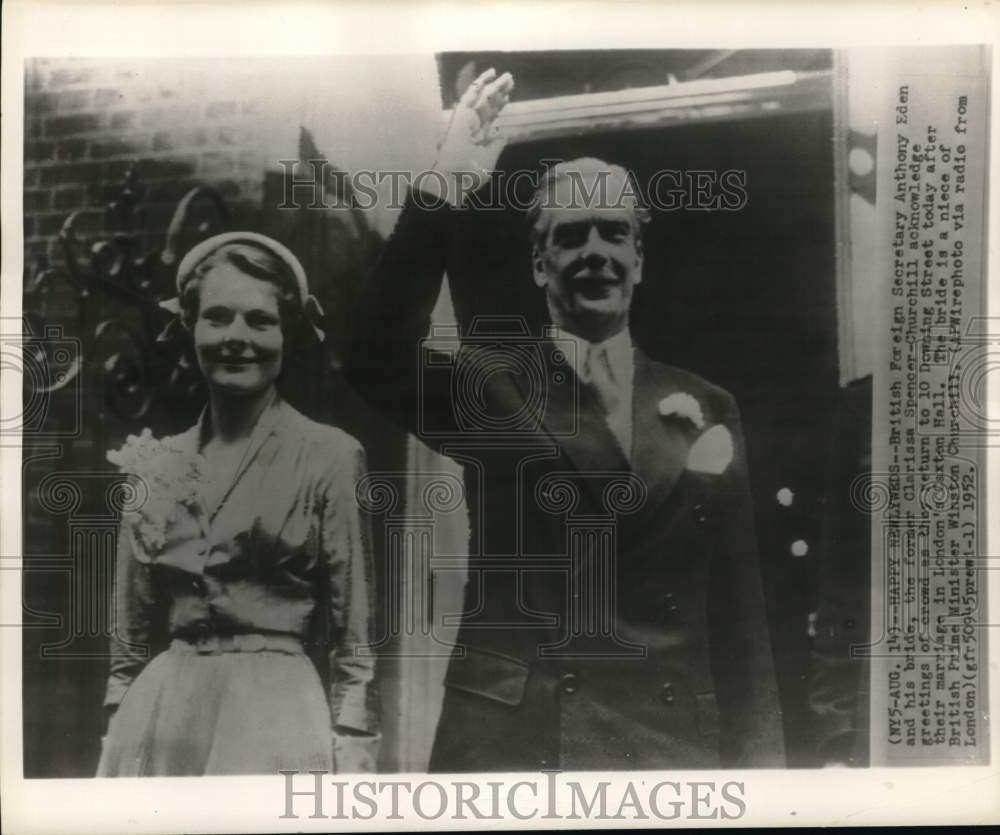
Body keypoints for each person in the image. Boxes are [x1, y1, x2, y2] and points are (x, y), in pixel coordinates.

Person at [346, 69, 785, 770]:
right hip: (515, 746)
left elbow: (741, 625)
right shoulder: (493, 387)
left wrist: (768, 785)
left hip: (663, 751)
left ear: (638, 260)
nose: (595, 253)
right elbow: (371, 353)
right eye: (571, 234)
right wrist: (446, 183)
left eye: (614, 233)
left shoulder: (707, 406)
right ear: (539, 262)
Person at [98, 232, 378, 776]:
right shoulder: (155, 462)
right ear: (190, 326)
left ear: (287, 331)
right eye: (217, 317)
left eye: (259, 320)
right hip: (163, 715)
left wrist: (354, 746)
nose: (237, 338)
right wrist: (117, 731)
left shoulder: (330, 456)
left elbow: (355, 634)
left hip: (274, 713)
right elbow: (128, 641)